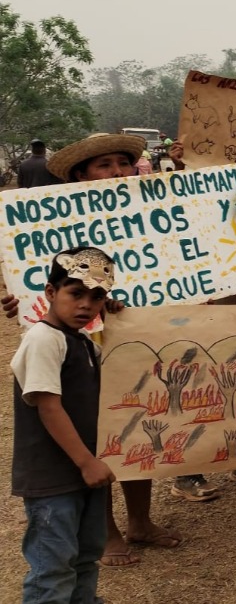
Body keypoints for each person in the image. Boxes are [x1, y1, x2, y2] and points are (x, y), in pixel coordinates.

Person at [20, 133, 183, 567]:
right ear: (81, 175)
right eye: (104, 165)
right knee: (97, 433)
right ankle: (107, 532)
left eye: (122, 164)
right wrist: (19, 297)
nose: (117, 173)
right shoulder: (54, 224)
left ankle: (141, 522)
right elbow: (35, 279)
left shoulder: (151, 212)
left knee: (139, 425)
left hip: (135, 337)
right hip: (83, 349)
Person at [12, 246, 116, 604]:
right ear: (51, 293)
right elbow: (48, 407)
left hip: (85, 474)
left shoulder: (83, 343)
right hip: (54, 479)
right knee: (53, 570)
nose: (86, 305)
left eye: (97, 296)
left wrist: (118, 317)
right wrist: (87, 462)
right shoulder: (43, 340)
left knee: (86, 558)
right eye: (76, 293)